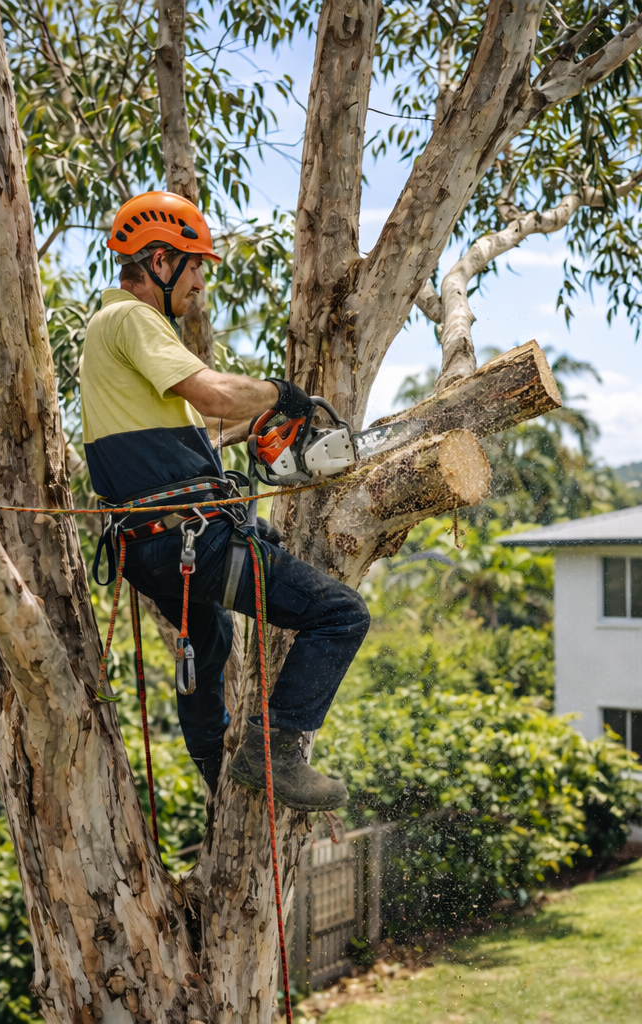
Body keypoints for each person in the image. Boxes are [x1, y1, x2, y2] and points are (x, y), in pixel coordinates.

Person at [78, 190, 369, 810]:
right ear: (160, 261)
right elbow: (212, 395)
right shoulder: (132, 320)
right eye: (195, 266)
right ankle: (276, 752)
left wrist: (250, 429)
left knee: (207, 651)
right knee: (341, 613)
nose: (200, 283)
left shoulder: (113, 335)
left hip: (155, 544)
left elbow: (195, 428)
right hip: (189, 539)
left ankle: (220, 782)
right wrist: (280, 395)